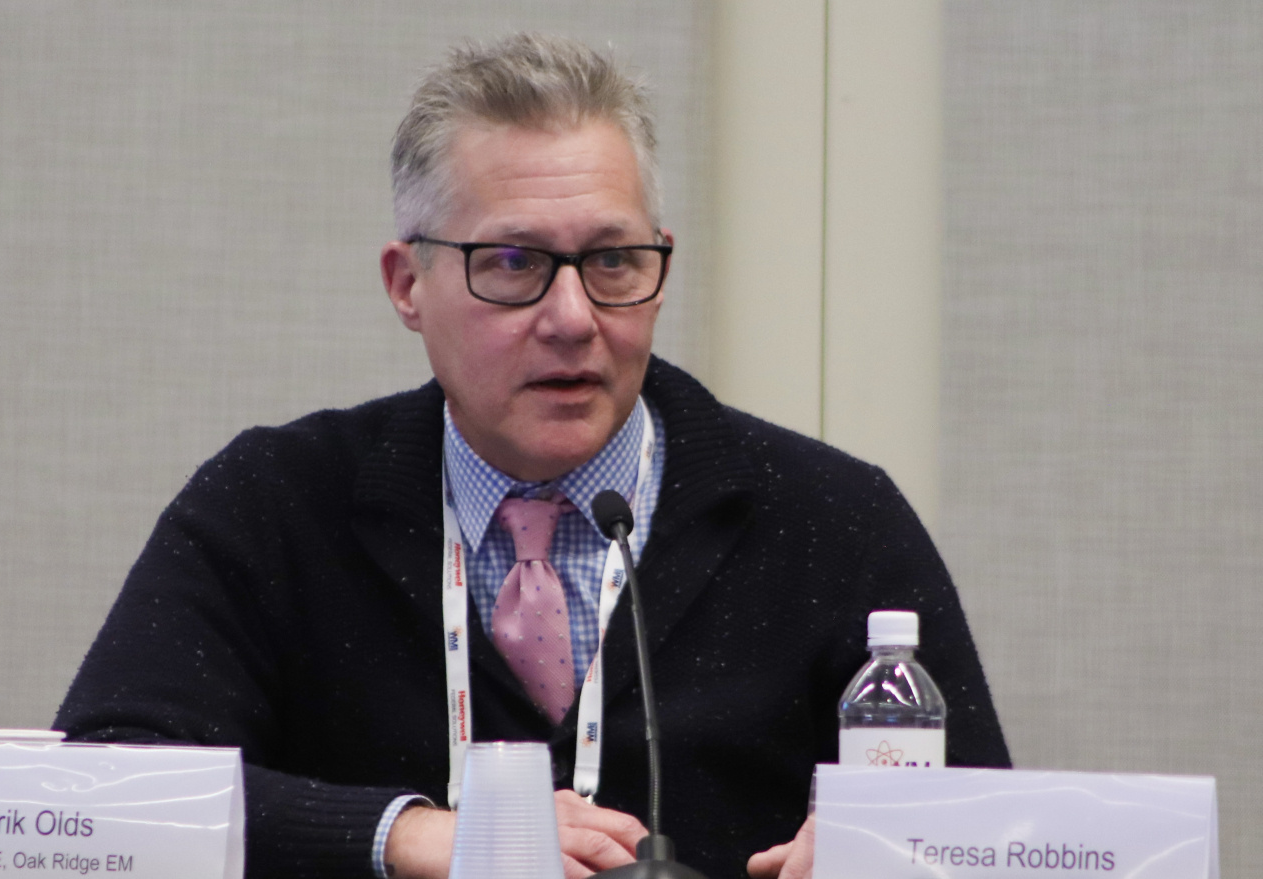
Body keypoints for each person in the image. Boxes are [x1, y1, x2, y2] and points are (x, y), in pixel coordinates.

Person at [56, 33, 1008, 879]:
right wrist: (408, 835)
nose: (571, 319)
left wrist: (890, 849)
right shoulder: (273, 505)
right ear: (406, 283)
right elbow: (106, 789)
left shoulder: (829, 521)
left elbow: (990, 830)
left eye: (612, 262)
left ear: (659, 265)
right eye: (511, 263)